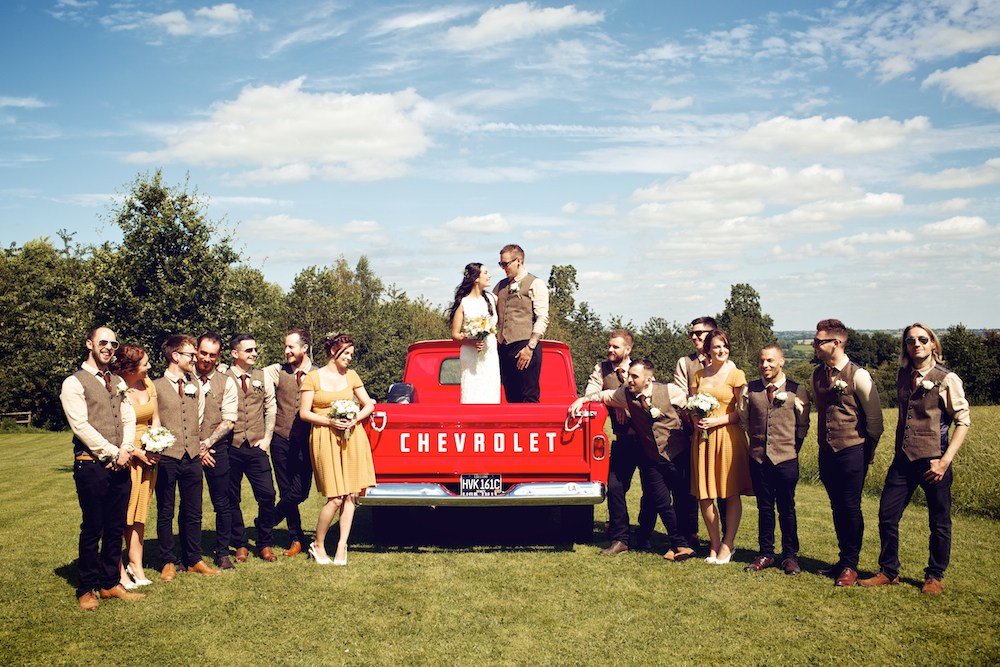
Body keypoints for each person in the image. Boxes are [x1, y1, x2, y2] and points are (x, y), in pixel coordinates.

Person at [861, 324, 970, 595]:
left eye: (922, 339)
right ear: (906, 346)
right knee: (887, 515)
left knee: (939, 521)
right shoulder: (902, 375)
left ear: (933, 343)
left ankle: (934, 575)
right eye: (910, 340)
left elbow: (963, 421)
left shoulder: (947, 379)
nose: (916, 344)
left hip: (934, 460)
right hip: (903, 459)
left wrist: (945, 461)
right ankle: (889, 570)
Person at [570, 359, 696, 561]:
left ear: (648, 380)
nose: (629, 380)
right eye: (629, 375)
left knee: (682, 498)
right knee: (662, 502)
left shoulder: (670, 391)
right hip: (653, 457)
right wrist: (582, 400)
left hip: (677, 454)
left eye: (634, 376)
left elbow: (690, 410)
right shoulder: (624, 394)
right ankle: (679, 545)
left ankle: (684, 541)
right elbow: (603, 395)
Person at [59, 326, 143, 609]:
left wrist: (127, 448)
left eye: (113, 344)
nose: (108, 347)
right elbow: (80, 426)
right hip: (91, 465)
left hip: (121, 463)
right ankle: (86, 587)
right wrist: (113, 451)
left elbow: (128, 417)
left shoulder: (117, 380)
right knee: (93, 526)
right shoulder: (74, 383)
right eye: (103, 342)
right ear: (89, 344)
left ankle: (109, 584)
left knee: (115, 526)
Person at [811, 318, 883, 587]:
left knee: (850, 506)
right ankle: (843, 561)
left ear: (836, 343)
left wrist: (869, 450)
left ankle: (851, 566)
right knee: (836, 506)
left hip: (853, 449)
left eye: (819, 341)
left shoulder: (858, 375)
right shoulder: (817, 374)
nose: (815, 345)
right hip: (827, 450)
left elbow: (875, 420)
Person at [299, 333, 377, 565]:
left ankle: (342, 546)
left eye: (352, 354)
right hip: (324, 436)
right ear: (334, 351)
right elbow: (304, 413)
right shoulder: (313, 378)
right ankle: (318, 544)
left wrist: (355, 419)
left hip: (352, 437)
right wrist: (330, 421)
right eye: (347, 353)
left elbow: (368, 404)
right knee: (335, 498)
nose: (350, 358)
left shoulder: (351, 376)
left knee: (351, 495)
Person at [153, 334, 220, 579]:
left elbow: (199, 417)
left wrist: (198, 445)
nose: (195, 358)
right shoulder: (155, 386)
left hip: (192, 456)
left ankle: (194, 558)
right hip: (167, 457)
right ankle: (168, 560)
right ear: (175, 356)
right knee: (166, 510)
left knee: (194, 510)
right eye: (191, 354)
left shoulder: (196, 384)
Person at [740, 344, 811, 575]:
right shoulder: (749, 389)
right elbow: (744, 420)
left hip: (786, 459)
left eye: (770, 360)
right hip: (758, 458)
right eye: (762, 361)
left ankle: (790, 555)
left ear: (781, 361)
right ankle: (766, 553)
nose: (765, 365)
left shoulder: (796, 390)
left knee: (787, 507)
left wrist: (791, 448)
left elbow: (802, 426)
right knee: (764, 507)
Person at [583, 329, 656, 554]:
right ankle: (620, 538)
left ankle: (645, 535)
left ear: (628, 349)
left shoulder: (639, 369)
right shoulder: (601, 369)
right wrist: (615, 403)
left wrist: (625, 402)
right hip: (623, 439)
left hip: (647, 439)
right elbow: (590, 395)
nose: (610, 350)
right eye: (609, 346)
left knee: (651, 489)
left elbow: (650, 393)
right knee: (615, 487)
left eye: (615, 347)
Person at [690, 329, 753, 565]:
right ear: (708, 349)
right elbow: (692, 406)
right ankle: (714, 543)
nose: (722, 350)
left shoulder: (737, 375)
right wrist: (696, 421)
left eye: (725, 346)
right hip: (703, 440)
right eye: (717, 346)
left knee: (730, 491)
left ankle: (728, 543)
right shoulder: (698, 375)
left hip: (728, 436)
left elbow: (742, 412)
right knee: (705, 494)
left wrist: (717, 421)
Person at [111, 344, 161, 589]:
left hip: (148, 455)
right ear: (130, 368)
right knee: (123, 512)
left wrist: (156, 443)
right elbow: (115, 426)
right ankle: (118, 568)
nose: (149, 366)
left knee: (140, 512)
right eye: (145, 363)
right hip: (126, 454)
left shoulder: (148, 384)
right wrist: (136, 452)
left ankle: (136, 565)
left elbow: (155, 418)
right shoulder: (116, 388)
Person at [227, 333, 278, 563]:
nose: (254, 353)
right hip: (231, 446)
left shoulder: (262, 376)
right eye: (249, 350)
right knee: (231, 497)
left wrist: (267, 438)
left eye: (255, 349)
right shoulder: (223, 377)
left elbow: (270, 407)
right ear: (234, 353)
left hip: (256, 445)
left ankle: (265, 542)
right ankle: (240, 543)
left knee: (267, 494)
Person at [265, 329, 315, 556]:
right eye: (285, 347)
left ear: (304, 348)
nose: (286, 351)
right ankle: (296, 538)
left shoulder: (318, 373)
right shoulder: (278, 371)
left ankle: (268, 520)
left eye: (291, 347)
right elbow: (250, 373)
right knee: (286, 489)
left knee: (301, 491)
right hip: (280, 439)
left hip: (306, 441)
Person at [194, 332, 238, 569]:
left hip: (216, 447)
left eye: (212, 355)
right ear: (196, 351)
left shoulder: (226, 382)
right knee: (190, 504)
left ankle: (222, 552)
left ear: (219, 356)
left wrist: (207, 444)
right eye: (203, 353)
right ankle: (190, 553)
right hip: (187, 448)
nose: (207, 359)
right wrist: (197, 448)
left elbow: (229, 420)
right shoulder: (184, 378)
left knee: (222, 502)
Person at [673, 315, 718, 545]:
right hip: (690, 431)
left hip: (720, 432)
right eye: (691, 333)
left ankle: (723, 539)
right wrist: (694, 417)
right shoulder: (685, 362)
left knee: (722, 487)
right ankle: (688, 534)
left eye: (698, 333)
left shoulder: (724, 360)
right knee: (688, 487)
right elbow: (681, 396)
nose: (693, 337)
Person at [494, 244, 549, 403]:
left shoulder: (535, 283)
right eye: (501, 264)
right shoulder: (500, 286)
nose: (503, 268)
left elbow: (542, 318)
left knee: (529, 397)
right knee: (511, 398)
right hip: (504, 347)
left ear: (519, 261)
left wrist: (530, 347)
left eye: (506, 264)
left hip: (525, 345)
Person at [449, 263, 501, 404]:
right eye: (486, 272)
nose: (489, 275)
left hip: (490, 353)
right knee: (472, 389)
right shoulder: (464, 303)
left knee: (490, 388)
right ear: (476, 278)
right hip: (471, 353)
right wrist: (471, 342)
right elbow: (455, 334)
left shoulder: (492, 298)